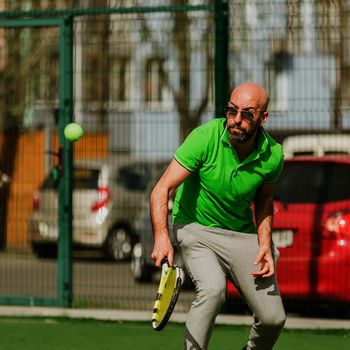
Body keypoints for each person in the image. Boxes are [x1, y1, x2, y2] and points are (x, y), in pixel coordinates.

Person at [150, 82, 286, 349]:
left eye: (247, 114)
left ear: (263, 118)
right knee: (212, 291)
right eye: (232, 111)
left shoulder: (273, 155)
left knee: (273, 318)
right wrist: (162, 236)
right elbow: (161, 189)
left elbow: (264, 199)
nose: (236, 120)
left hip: (241, 233)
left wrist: (265, 245)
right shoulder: (205, 137)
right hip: (195, 228)